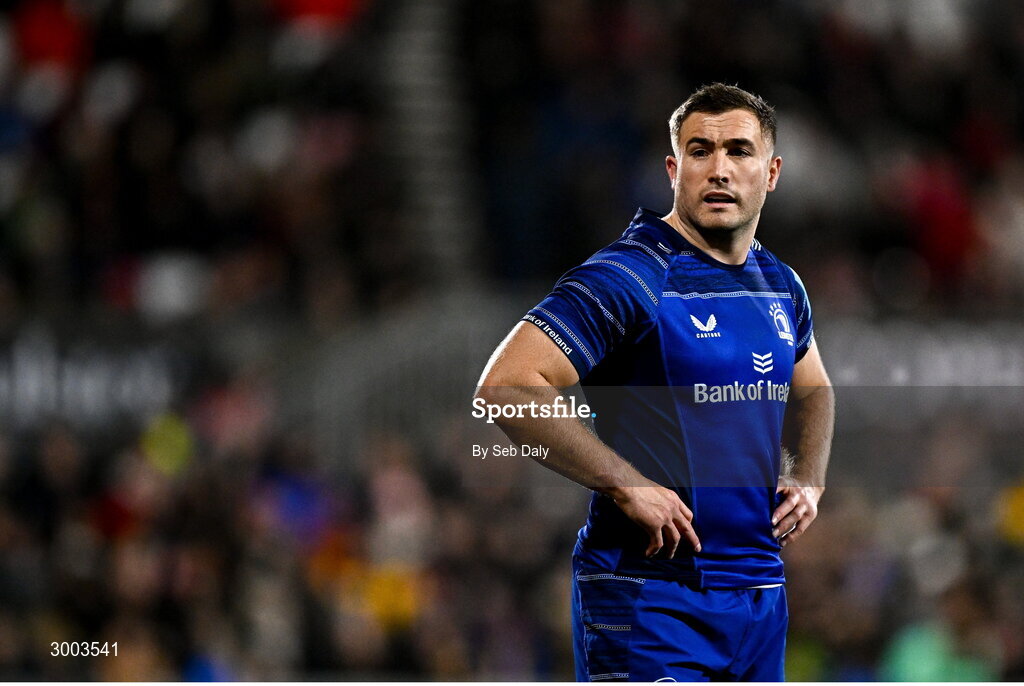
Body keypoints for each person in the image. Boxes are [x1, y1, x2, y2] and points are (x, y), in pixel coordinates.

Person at [474, 83, 834, 681]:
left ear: (771, 172)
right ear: (674, 168)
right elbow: (505, 387)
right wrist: (623, 482)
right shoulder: (630, 275)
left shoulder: (781, 283)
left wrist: (809, 477)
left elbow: (814, 388)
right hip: (650, 599)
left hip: (760, 600)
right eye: (701, 150)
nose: (719, 170)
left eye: (739, 151)